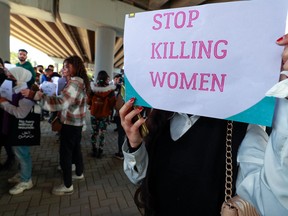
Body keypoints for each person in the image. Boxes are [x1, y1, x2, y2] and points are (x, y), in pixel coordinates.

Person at [119, 34, 288, 215]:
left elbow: (271, 201)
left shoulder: (242, 128)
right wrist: (135, 145)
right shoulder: (161, 117)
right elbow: (141, 177)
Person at [21, 55, 91, 196]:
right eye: (63, 66)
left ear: (75, 68)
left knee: (65, 154)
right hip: (76, 123)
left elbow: (61, 103)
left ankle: (67, 185)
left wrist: (35, 95)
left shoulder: (75, 83)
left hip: (70, 124)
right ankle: (78, 173)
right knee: (76, 149)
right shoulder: (78, 82)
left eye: (67, 66)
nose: (64, 69)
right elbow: (66, 101)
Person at [0, 67, 35, 195]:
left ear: (20, 78)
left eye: (12, 77)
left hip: (20, 130)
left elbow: (21, 113)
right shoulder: (16, 89)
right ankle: (22, 174)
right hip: (13, 128)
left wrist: (4, 104)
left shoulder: (26, 93)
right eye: (9, 76)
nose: (8, 79)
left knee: (23, 154)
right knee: (19, 153)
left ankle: (26, 180)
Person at [88, 70, 116, 158]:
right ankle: (100, 151)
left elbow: (89, 101)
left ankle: (93, 150)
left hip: (94, 114)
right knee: (102, 133)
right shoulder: (111, 91)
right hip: (104, 115)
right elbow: (112, 104)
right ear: (106, 79)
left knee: (94, 132)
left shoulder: (93, 89)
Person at [0, 58, 16, 171]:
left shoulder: (6, 77)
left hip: (4, 110)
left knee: (4, 136)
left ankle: (10, 158)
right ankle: (10, 158)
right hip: (4, 109)